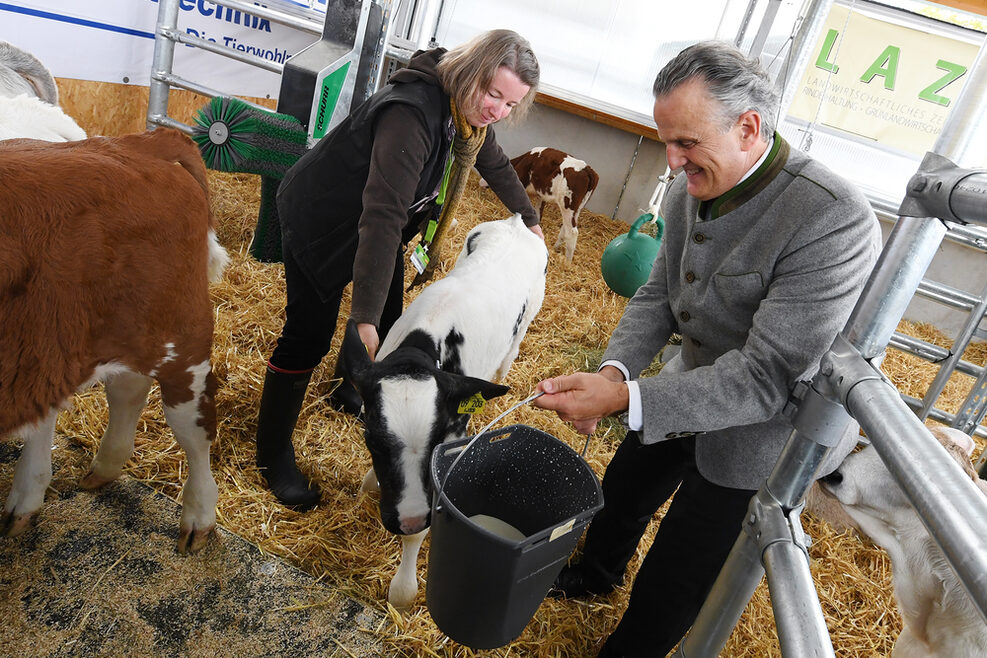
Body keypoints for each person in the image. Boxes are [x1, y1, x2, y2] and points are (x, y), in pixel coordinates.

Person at [533, 40, 882, 657]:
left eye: (686, 143)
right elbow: (658, 298)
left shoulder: (831, 218)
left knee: (682, 566)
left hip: (764, 431)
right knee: (621, 495)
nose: (669, 162)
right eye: (666, 140)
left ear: (748, 127)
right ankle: (596, 574)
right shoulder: (690, 189)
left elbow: (766, 375)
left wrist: (624, 399)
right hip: (682, 383)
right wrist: (616, 371)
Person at [256, 29, 543, 509]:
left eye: (511, 104)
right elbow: (383, 213)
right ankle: (272, 456)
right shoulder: (412, 113)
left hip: (377, 231)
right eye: (494, 94)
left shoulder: (463, 113)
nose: (498, 111)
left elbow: (493, 161)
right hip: (323, 223)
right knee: (311, 332)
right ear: (472, 72)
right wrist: (361, 315)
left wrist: (530, 220)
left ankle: (354, 391)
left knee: (392, 327)